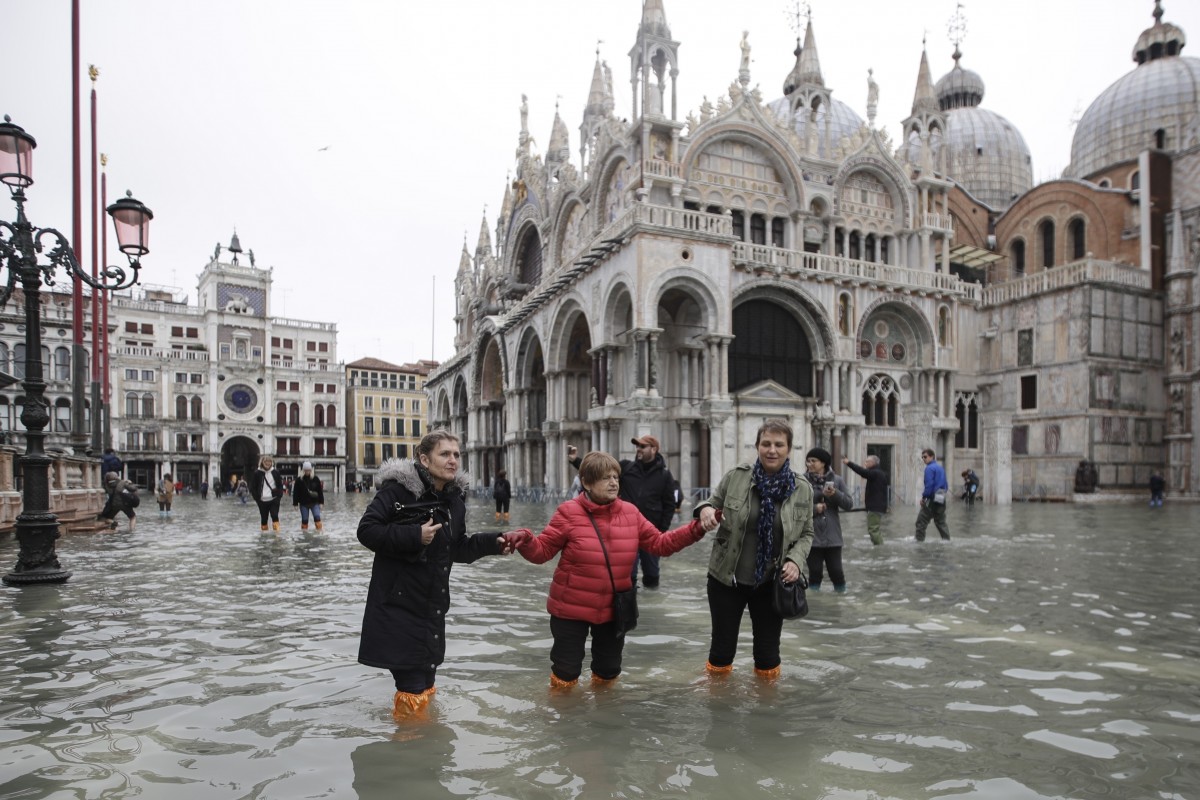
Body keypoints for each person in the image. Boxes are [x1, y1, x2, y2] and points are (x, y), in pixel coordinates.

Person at [357, 430, 527, 721]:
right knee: (411, 689)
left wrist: (494, 543)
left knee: (426, 686)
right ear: (424, 459)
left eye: (456, 455)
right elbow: (366, 530)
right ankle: (410, 753)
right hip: (397, 607)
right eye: (444, 454)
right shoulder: (397, 491)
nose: (452, 461)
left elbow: (457, 547)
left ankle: (426, 756)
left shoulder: (454, 501)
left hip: (432, 608)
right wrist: (415, 535)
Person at [514, 451, 714, 689]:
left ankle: (602, 721)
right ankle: (563, 718)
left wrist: (696, 528)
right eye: (605, 477)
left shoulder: (630, 513)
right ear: (587, 483)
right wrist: (525, 539)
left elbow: (660, 544)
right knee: (565, 674)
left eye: (616, 477)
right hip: (570, 609)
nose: (613, 482)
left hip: (613, 610)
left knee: (608, 673)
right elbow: (542, 552)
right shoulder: (568, 512)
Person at [695, 419, 814, 679]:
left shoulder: (802, 488)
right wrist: (705, 510)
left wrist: (795, 560)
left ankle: (767, 711)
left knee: (768, 656)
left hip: (771, 583)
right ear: (758, 446)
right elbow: (710, 502)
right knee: (721, 651)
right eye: (766, 444)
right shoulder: (736, 476)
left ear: (789, 449)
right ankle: (719, 708)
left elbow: (807, 533)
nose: (772, 450)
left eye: (779, 445)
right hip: (726, 578)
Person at [568, 435, 677, 589]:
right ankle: (628, 607)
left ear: (654, 449)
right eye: (637, 446)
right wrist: (575, 460)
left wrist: (661, 530)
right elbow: (599, 472)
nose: (638, 449)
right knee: (626, 576)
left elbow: (669, 505)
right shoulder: (626, 467)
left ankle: (651, 607)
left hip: (651, 533)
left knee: (652, 575)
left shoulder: (665, 476)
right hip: (625, 532)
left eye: (642, 446)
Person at [803, 448, 853, 592]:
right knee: (815, 574)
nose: (809, 464)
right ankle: (815, 606)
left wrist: (835, 494)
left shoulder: (837, 480)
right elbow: (794, 508)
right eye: (808, 460)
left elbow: (849, 505)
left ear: (823, 463)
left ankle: (840, 604)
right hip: (811, 536)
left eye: (813, 461)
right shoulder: (802, 481)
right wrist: (814, 509)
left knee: (837, 573)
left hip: (833, 536)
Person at [842, 454, 888, 545]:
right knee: (874, 529)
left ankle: (880, 549)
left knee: (873, 529)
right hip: (877, 506)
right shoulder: (879, 473)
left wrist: (849, 463)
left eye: (867, 461)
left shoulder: (875, 473)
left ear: (873, 463)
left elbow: (862, 472)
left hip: (875, 507)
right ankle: (879, 544)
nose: (865, 463)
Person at [915, 449, 951, 541]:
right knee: (940, 521)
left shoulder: (929, 468)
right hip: (941, 496)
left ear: (932, 456)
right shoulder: (940, 468)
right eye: (922, 457)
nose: (923, 459)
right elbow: (946, 484)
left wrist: (924, 498)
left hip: (932, 497)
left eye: (925, 457)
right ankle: (947, 540)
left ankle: (919, 542)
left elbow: (929, 485)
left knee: (921, 521)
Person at [250, 455, 284, 532]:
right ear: (262, 462)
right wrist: (257, 499)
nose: (268, 463)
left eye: (269, 461)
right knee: (264, 518)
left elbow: (280, 485)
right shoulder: (257, 473)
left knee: (275, 516)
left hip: (274, 499)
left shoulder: (276, 472)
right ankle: (264, 537)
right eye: (266, 461)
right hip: (262, 500)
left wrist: (279, 496)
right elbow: (253, 487)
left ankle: (277, 535)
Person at [293, 461, 325, 530]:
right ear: (303, 470)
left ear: (311, 470)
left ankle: (319, 532)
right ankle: (304, 534)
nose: (307, 471)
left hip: (314, 503)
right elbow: (296, 492)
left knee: (317, 518)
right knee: (304, 521)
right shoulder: (299, 480)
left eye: (309, 469)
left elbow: (320, 491)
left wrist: (321, 502)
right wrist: (295, 504)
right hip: (303, 503)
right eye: (306, 470)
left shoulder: (315, 479)